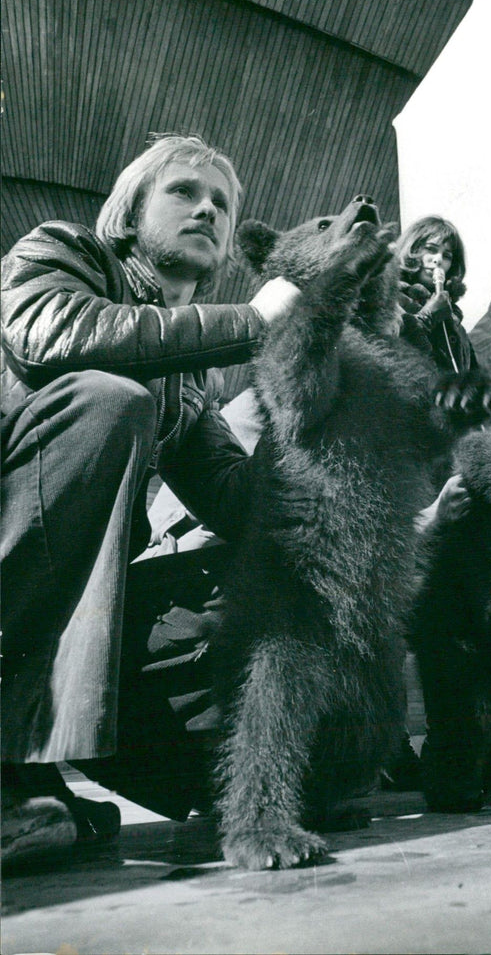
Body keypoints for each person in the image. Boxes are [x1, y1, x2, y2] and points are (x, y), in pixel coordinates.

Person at [0, 133, 300, 863]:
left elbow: (243, 506)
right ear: (131, 213)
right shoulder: (62, 251)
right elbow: (52, 335)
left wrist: (308, 383)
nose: (207, 210)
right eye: (184, 192)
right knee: (109, 401)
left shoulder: (186, 388)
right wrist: (254, 325)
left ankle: (30, 782)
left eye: (222, 205)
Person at [395, 216, 479, 375]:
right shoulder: (389, 298)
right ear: (412, 249)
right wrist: (426, 317)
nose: (438, 260)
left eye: (447, 256)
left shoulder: (456, 325)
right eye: (431, 249)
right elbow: (383, 351)